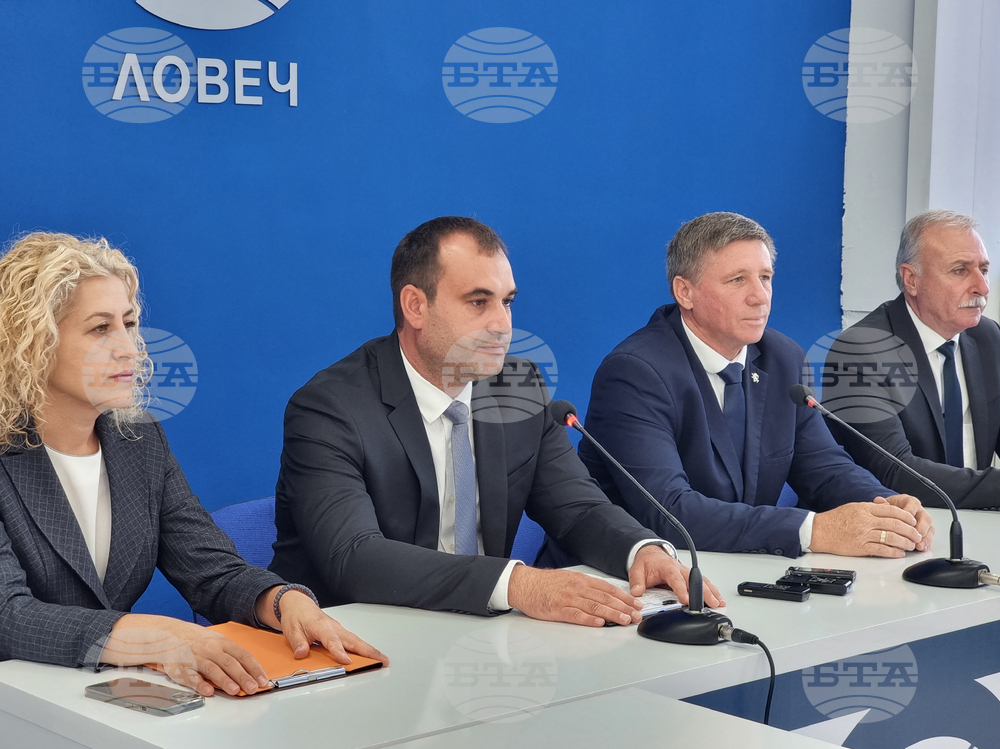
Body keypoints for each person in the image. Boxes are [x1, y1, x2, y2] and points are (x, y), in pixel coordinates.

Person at [270, 216, 722, 628]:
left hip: (481, 639)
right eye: (478, 302)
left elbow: (578, 509)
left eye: (507, 302)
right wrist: (518, 583)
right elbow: (354, 558)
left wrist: (641, 550)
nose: (502, 325)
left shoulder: (518, 388)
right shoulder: (330, 408)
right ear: (415, 306)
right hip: (351, 642)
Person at [0, 232, 385, 698]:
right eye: (100, 328)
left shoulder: (139, 442)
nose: (130, 348)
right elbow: (8, 615)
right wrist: (158, 637)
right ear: (34, 343)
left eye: (129, 323)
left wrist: (283, 601)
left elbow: (211, 571)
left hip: (99, 697)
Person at [561, 212, 934, 559]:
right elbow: (670, 511)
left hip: (738, 567)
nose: (760, 296)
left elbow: (826, 470)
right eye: (738, 280)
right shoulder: (635, 373)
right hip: (626, 577)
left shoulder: (782, 358)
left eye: (765, 277)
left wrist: (886, 505)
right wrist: (813, 530)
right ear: (685, 292)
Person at [824, 210, 1000, 509]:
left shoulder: (988, 337)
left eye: (983, 269)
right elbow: (895, 471)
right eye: (960, 270)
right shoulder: (860, 350)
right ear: (911, 279)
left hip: (975, 519)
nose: (982, 287)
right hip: (893, 522)